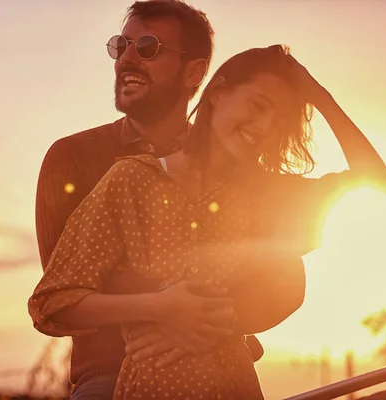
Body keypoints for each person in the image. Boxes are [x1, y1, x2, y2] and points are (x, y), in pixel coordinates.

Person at [30, 43, 386, 399]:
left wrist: (317, 94)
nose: (265, 126)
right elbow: (54, 304)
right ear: (217, 93)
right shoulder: (131, 179)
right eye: (258, 106)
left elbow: (376, 181)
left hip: (235, 383)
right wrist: (160, 308)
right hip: (149, 385)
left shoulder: (262, 196)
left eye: (279, 120)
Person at [34, 1, 307, 398]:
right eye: (120, 45)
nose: (128, 58)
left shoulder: (233, 160)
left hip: (223, 362)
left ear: (194, 72)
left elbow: (285, 286)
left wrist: (213, 320)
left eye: (147, 48)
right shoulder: (71, 158)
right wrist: (166, 306)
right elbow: (66, 290)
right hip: (111, 375)